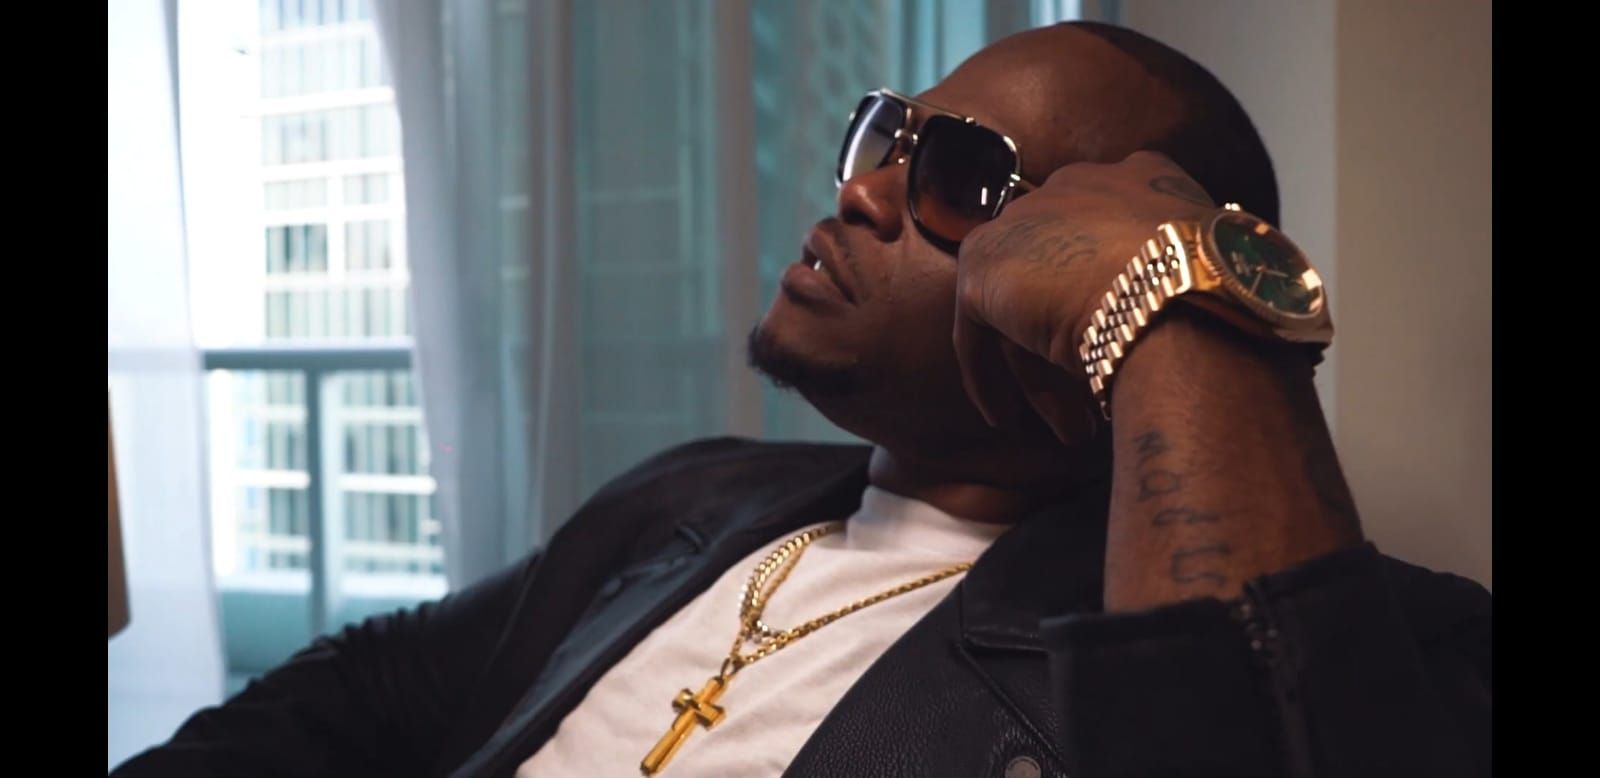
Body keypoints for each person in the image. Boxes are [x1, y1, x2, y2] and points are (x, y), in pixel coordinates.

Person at [112, 21, 1491, 778]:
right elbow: (378, 684)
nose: (862, 188)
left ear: (1084, 270)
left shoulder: (1384, 644)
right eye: (890, 136)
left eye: (961, 175)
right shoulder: (699, 494)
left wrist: (1187, 301)